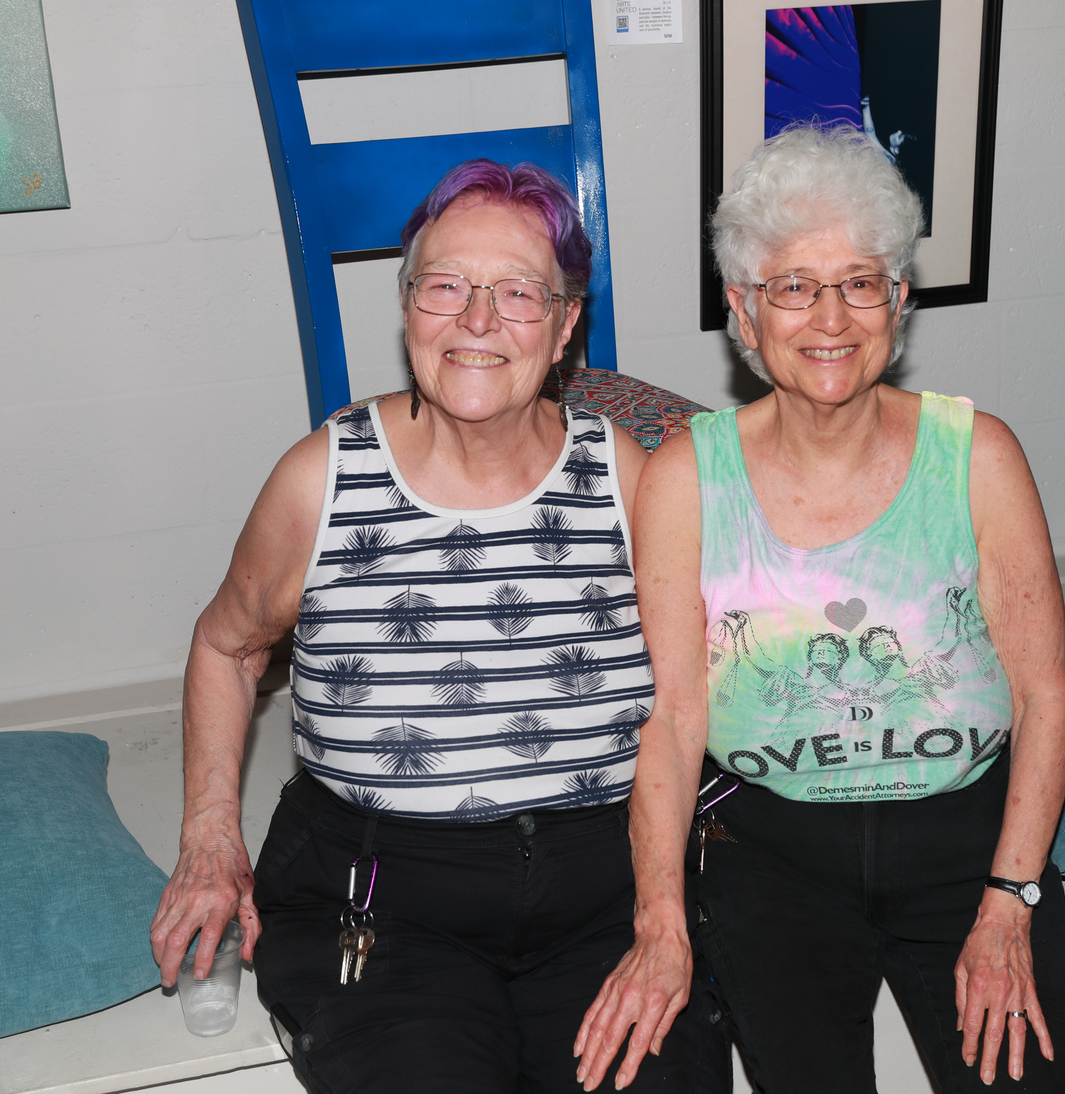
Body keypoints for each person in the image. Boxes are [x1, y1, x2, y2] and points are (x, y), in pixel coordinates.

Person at [150, 159, 727, 1094]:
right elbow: (229, 645)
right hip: (385, 898)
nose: (476, 321)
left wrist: (667, 916)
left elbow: (690, 689)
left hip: (605, 890)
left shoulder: (624, 475)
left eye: (516, 294)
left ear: (566, 323)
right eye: (445, 286)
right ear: (408, 308)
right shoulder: (320, 479)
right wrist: (210, 836)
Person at [574, 125, 1065, 1092]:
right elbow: (674, 717)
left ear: (898, 304)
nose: (830, 316)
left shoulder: (978, 455)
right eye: (792, 286)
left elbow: (1043, 695)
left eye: (860, 282)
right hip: (771, 851)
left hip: (964, 840)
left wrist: (1009, 900)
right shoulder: (686, 476)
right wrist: (657, 922)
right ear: (742, 312)